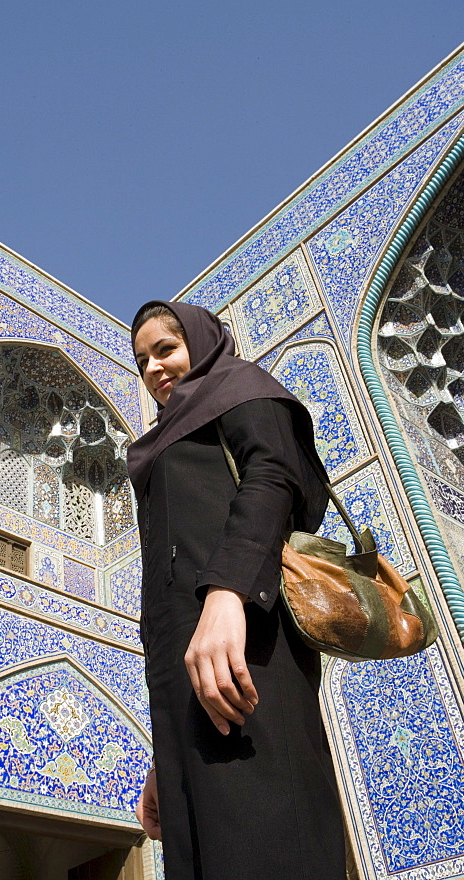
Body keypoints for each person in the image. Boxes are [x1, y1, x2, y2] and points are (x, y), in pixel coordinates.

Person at [126, 300, 347, 880]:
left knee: (264, 827)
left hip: (245, 639)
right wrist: (167, 750)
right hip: (185, 671)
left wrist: (227, 596)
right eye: (142, 360)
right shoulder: (160, 444)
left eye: (165, 349)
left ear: (200, 343)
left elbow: (274, 477)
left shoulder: (242, 388)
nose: (153, 368)